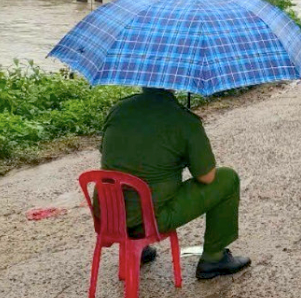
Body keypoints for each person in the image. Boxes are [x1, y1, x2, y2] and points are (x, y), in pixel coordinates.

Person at [100, 87, 251, 280]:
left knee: (134, 177)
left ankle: (139, 248)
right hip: (149, 220)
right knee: (227, 178)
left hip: (109, 215)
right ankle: (214, 258)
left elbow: (107, 152)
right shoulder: (184, 120)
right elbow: (207, 177)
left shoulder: (118, 109)